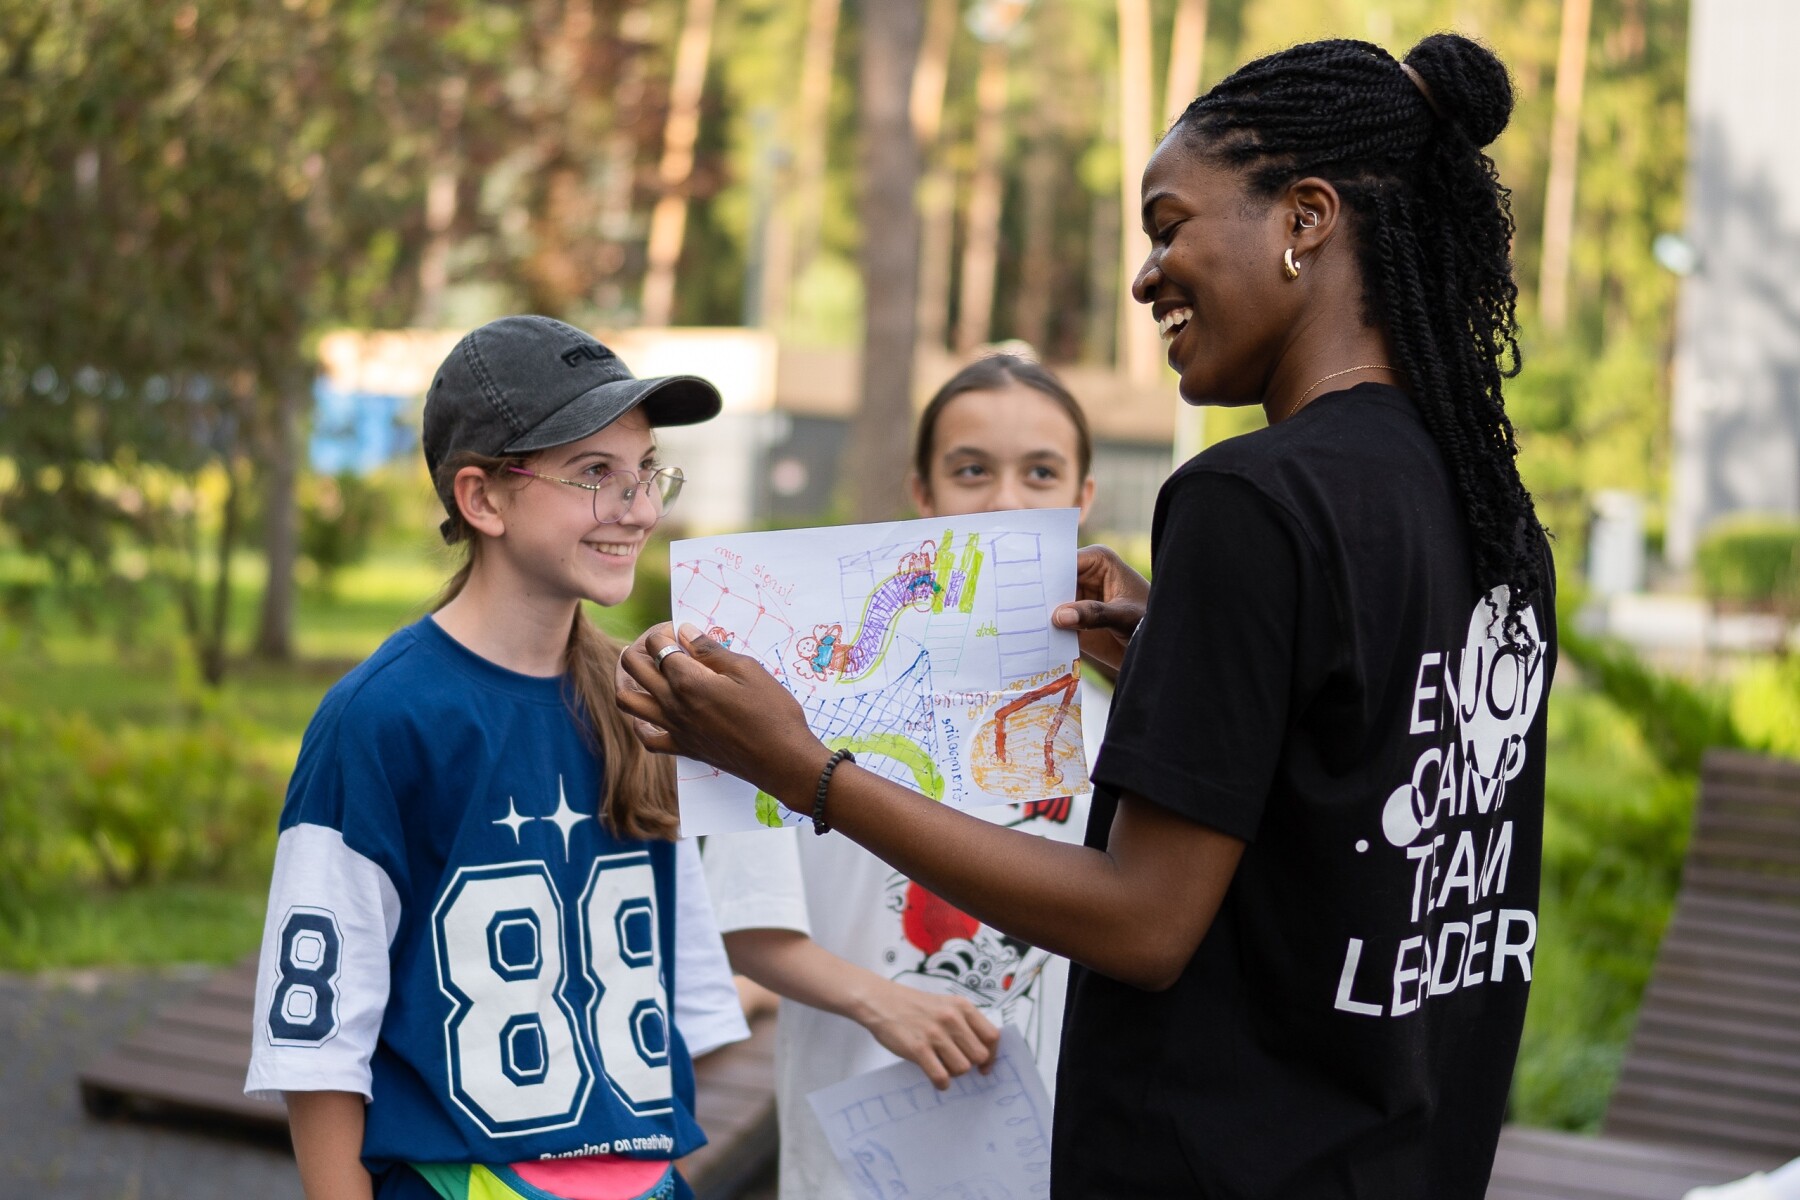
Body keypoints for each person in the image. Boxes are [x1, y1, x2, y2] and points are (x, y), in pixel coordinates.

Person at [615, 32, 1557, 1199]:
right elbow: (1356, 795)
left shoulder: (1250, 498)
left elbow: (1144, 923)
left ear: (1305, 218)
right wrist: (1178, 653)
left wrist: (806, 770)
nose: (1147, 277)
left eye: (1170, 225)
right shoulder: (1487, 503)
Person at [244, 316, 750, 1200]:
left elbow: (687, 1005)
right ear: (482, 499)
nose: (638, 508)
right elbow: (317, 1048)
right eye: (593, 474)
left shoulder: (647, 700)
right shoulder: (380, 718)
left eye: (645, 471)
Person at [699, 354, 1106, 1199]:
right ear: (922, 493)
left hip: (1055, 1162)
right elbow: (745, 926)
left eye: (1041, 473)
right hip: (852, 1169)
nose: (1005, 501)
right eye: (971, 470)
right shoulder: (793, 700)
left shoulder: (1121, 721)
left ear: (1084, 498)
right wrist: (879, 1001)